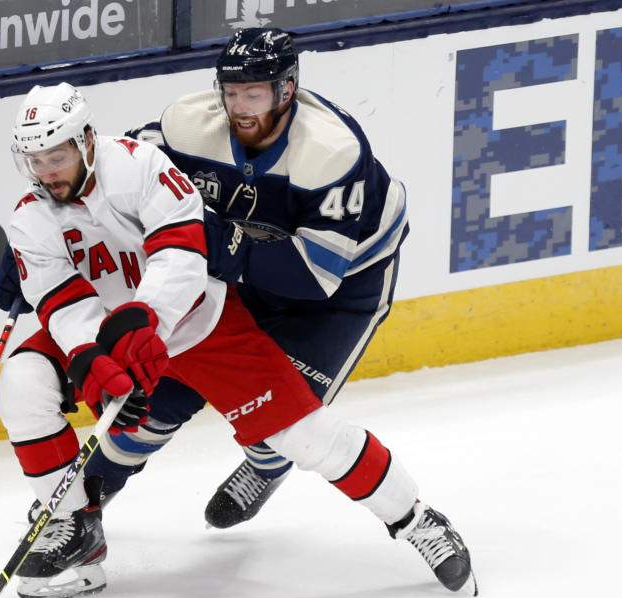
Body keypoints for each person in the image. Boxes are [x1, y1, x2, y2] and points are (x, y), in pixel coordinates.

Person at [0, 80, 476, 598]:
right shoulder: (30, 215)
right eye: (34, 161)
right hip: (115, 327)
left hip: (199, 324)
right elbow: (63, 302)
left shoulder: (140, 168)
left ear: (86, 139)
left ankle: (416, 519)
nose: (47, 173)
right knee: (22, 385)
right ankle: (75, 531)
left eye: (56, 155)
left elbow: (183, 252)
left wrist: (145, 321)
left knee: (302, 437)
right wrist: (89, 354)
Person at [83, 27, 411, 531]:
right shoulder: (187, 126)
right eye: (231, 92)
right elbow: (106, 173)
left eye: (253, 93)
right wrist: (46, 232)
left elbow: (314, 278)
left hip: (342, 289)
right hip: (241, 274)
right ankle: (79, 507)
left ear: (286, 90)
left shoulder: (331, 152)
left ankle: (266, 462)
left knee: (284, 422)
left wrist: (222, 242)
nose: (239, 106)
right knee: (151, 402)